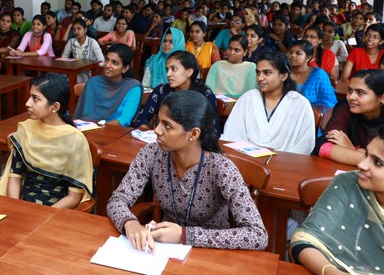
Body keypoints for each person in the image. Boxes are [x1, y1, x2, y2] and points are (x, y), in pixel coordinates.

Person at [108, 91, 268, 251]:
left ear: (193, 134)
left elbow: (257, 235)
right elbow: (118, 199)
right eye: (158, 122)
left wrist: (184, 235)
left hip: (213, 253)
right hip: (164, 250)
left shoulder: (221, 168)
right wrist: (130, 223)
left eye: (167, 125)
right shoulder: (151, 153)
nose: (156, 130)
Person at [290, 122, 384, 275]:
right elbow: (304, 242)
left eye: (377, 162)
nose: (362, 165)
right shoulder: (348, 183)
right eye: (366, 155)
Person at [0, 74, 94, 208]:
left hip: (56, 212)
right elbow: (15, 177)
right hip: (21, 206)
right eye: (30, 96)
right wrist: (16, 207)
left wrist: (43, 215)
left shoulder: (74, 140)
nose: (27, 103)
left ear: (55, 107)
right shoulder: (26, 129)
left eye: (35, 98)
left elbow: (74, 197)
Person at [223, 52, 315, 154]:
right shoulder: (248, 98)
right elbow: (232, 134)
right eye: (258, 73)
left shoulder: (300, 104)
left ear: (283, 76)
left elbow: (305, 144)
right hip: (247, 160)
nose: (260, 78)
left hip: (286, 164)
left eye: (267, 73)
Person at [316, 69, 384, 166]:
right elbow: (324, 147)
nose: (351, 97)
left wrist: (352, 149)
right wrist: (373, 158)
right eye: (350, 90)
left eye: (360, 92)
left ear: (382, 98)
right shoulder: (347, 107)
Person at [135, 51, 220, 133]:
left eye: (174, 69)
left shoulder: (204, 93)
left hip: (193, 144)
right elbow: (141, 121)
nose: (168, 74)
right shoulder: (161, 90)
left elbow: (214, 130)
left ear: (189, 72)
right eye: (167, 69)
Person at [73, 44, 142, 127]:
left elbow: (124, 120)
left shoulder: (133, 88)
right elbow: (85, 115)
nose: (108, 65)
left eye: (115, 63)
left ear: (125, 68)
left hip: (115, 132)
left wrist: (101, 129)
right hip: (88, 129)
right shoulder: (93, 82)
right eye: (107, 60)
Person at [287, 40, 338, 110]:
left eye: (298, 53)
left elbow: (330, 102)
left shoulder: (318, 74)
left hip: (312, 116)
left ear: (308, 58)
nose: (292, 55)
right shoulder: (284, 73)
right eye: (290, 52)